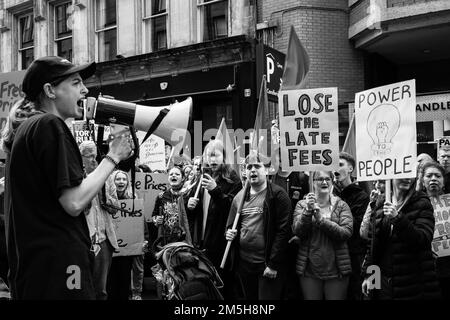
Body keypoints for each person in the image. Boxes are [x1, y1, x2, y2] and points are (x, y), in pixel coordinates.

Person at [2, 56, 132, 300]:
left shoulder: (29, 128)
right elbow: (73, 202)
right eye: (75, 83)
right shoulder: (49, 125)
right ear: (50, 90)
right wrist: (113, 157)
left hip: (40, 270)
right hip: (60, 270)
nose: (84, 89)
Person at [225, 152, 291, 300]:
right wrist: (228, 233)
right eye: (249, 167)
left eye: (257, 166)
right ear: (245, 172)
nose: (252, 170)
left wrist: (273, 264)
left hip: (267, 264)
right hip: (245, 264)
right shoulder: (239, 197)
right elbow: (230, 226)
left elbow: (284, 231)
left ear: (266, 170)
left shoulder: (278, 195)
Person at [361, 177, 441, 299]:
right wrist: (369, 276)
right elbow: (373, 245)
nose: (407, 179)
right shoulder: (381, 202)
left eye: (410, 174)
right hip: (383, 282)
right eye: (403, 175)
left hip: (412, 283)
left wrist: (397, 218)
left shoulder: (422, 202)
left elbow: (423, 240)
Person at [186, 139, 242, 299]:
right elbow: (194, 212)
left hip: (220, 245)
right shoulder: (201, 178)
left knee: (222, 288)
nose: (212, 160)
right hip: (201, 244)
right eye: (208, 156)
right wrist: (190, 205)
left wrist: (215, 190)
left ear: (224, 157)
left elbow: (233, 209)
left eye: (215, 155)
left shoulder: (232, 180)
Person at [292, 171, 353, 300]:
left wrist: (321, 220)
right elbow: (298, 231)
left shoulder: (341, 205)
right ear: (313, 182)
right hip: (309, 270)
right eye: (320, 179)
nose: (324, 182)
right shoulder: (302, 205)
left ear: (332, 181)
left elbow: (346, 233)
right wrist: (307, 212)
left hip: (337, 270)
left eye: (327, 179)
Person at [79, 141, 120, 300]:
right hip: (84, 241)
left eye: (95, 156)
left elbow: (115, 207)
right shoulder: (76, 177)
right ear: (80, 157)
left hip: (104, 241)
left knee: (101, 291)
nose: (93, 160)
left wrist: (104, 196)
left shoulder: (107, 178)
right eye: (89, 156)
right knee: (82, 288)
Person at [106, 170, 148, 300]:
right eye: (118, 179)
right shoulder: (106, 200)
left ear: (128, 183)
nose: (121, 182)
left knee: (124, 279)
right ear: (112, 182)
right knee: (110, 280)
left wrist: (144, 239)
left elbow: (142, 222)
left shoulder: (134, 200)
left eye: (124, 179)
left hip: (127, 249)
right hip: (111, 247)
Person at [333, 152, 369, 300]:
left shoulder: (361, 196)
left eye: (340, 165)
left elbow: (356, 227)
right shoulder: (327, 193)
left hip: (355, 255)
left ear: (350, 169)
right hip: (333, 256)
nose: (336, 168)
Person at [420, 161, 450, 299]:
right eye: (429, 176)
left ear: (444, 181)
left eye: (437, 176)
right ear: (422, 181)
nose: (433, 179)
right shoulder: (415, 204)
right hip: (426, 266)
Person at [152, 165, 192, 247]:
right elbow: (154, 215)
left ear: (183, 178)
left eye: (177, 174)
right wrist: (156, 220)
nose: (173, 176)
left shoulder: (188, 195)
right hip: (166, 240)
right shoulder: (161, 196)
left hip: (184, 240)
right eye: (171, 174)